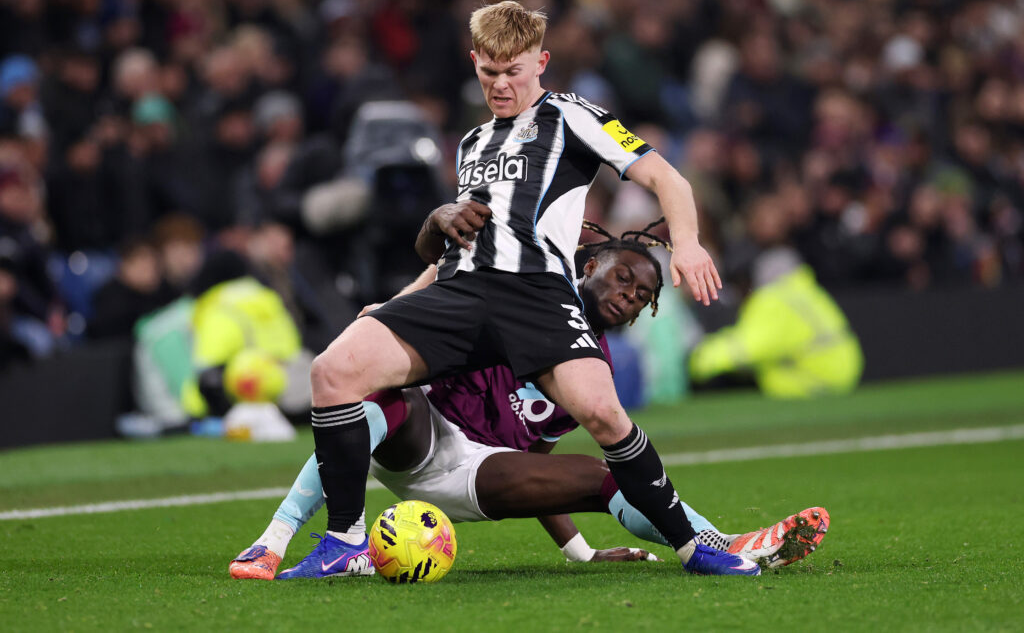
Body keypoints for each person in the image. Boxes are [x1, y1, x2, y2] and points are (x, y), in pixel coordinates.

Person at [300, 0, 755, 579]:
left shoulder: (573, 114)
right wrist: (403, 299)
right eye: (488, 72)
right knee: (332, 372)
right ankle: (344, 540)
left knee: (604, 416)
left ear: (540, 62)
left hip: (537, 293)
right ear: (474, 63)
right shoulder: (469, 144)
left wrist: (686, 244)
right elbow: (458, 248)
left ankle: (695, 548)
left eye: (513, 71)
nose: (501, 84)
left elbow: (666, 176)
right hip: (462, 292)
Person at [229, 227, 828, 579]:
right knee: (379, 395)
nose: (628, 297)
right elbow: (445, 267)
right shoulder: (521, 290)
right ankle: (280, 541)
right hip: (415, 430)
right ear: (590, 264)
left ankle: (728, 545)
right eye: (623, 279)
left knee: (603, 474)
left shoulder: (592, 374)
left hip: (473, 472)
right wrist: (396, 305)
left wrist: (580, 552)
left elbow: (535, 458)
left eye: (643, 295)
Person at [689, 247, 863, 398]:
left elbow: (746, 349)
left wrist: (698, 360)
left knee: (755, 372)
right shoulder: (808, 291)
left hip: (815, 380)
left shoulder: (773, 299)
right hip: (844, 374)